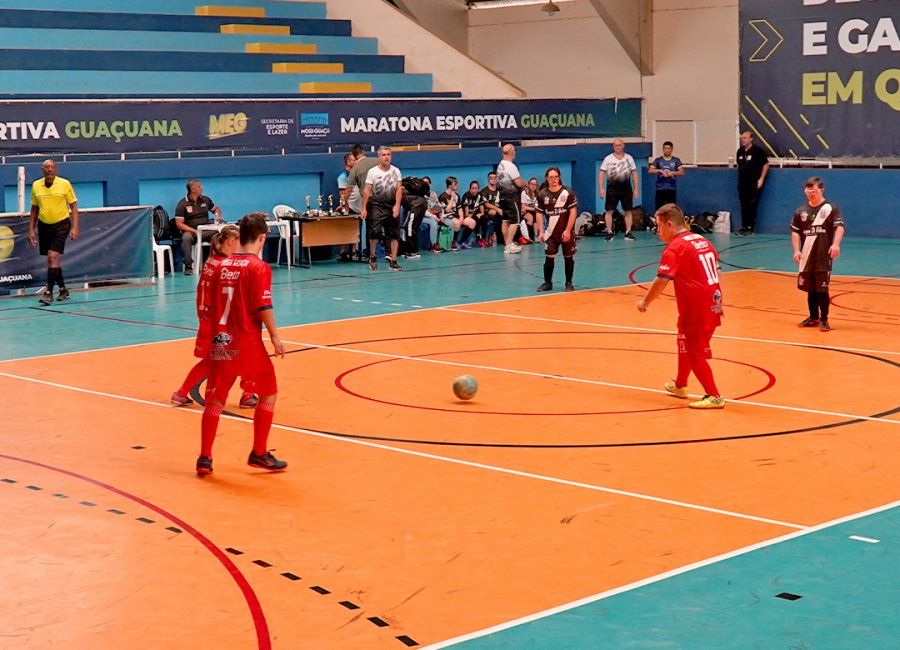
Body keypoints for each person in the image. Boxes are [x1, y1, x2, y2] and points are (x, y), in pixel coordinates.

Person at [197, 212, 287, 475]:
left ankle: (205, 457)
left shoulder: (220, 265)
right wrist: (275, 337)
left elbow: (211, 304)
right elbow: (263, 305)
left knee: (215, 399)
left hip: (220, 341)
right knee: (268, 391)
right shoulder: (259, 267)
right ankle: (258, 452)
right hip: (247, 341)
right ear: (261, 238)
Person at [637, 203, 725, 409]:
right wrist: (720, 299)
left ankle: (714, 396)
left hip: (697, 307)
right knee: (683, 340)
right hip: (711, 301)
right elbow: (717, 270)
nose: (657, 231)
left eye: (659, 227)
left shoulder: (675, 247)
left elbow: (662, 279)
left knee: (695, 352)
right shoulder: (702, 240)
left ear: (669, 224)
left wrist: (645, 302)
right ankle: (680, 385)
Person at [171, 224, 258, 409]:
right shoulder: (225, 267)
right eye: (241, 243)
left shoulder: (212, 261)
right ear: (231, 242)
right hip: (221, 322)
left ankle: (181, 393)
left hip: (208, 320)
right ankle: (247, 395)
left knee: (211, 361)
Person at [791, 176, 844, 332]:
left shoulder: (830, 208)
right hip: (806, 256)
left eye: (813, 191)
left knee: (822, 289)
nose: (810, 194)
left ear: (821, 190)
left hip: (822, 256)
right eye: (808, 191)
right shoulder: (801, 211)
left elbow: (839, 227)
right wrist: (796, 250)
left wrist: (835, 244)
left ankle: (824, 319)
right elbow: (795, 232)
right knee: (810, 288)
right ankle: (813, 317)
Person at [28, 160, 79, 306]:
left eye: (52, 167)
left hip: (61, 224)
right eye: (47, 168)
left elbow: (74, 207)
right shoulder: (36, 185)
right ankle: (63, 289)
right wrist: (31, 229)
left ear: (55, 169)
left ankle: (48, 293)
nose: (50, 170)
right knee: (53, 260)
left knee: (52, 256)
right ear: (42, 170)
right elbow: (34, 209)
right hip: (44, 226)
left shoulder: (64, 184)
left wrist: (75, 227)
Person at [535, 167, 578, 293]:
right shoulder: (542, 194)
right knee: (549, 256)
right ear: (546, 179)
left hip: (566, 232)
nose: (553, 180)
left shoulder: (567, 193)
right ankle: (548, 283)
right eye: (550, 177)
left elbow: (573, 212)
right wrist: (541, 231)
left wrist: (568, 230)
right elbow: (539, 213)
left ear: (559, 178)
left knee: (568, 257)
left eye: (555, 177)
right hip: (551, 232)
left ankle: (569, 283)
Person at [360, 146, 403, 271]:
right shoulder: (373, 172)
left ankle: (393, 260)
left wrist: (397, 206)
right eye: (384, 155)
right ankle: (372, 256)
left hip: (391, 205)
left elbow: (399, 189)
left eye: (388, 154)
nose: (386, 157)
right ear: (379, 157)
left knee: (394, 234)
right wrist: (364, 208)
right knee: (374, 232)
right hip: (377, 205)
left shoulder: (396, 171)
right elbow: (367, 190)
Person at [174, 178, 222, 275]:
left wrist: (218, 216)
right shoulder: (182, 204)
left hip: (205, 230)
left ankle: (212, 263)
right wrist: (194, 231)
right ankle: (188, 266)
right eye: (199, 186)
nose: (202, 188)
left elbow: (216, 209)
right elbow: (179, 224)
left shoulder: (205, 200)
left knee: (219, 234)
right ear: (193, 189)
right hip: (191, 231)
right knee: (186, 238)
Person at [598, 138, 639, 241]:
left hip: (626, 189)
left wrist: (636, 189)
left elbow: (634, 173)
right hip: (612, 190)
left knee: (628, 211)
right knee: (609, 211)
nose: (617, 147)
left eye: (619, 145)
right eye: (615, 145)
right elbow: (602, 173)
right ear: (613, 147)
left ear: (623, 146)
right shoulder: (608, 159)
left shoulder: (629, 158)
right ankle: (609, 232)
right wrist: (601, 188)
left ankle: (628, 232)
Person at [735, 130, 769, 235]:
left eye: (745, 138)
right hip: (742, 183)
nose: (743, 140)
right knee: (743, 204)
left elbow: (766, 164)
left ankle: (750, 227)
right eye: (742, 138)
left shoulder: (758, 151)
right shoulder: (740, 151)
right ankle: (744, 226)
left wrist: (761, 179)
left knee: (751, 204)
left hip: (753, 182)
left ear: (751, 139)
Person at [496, 143, 528, 255]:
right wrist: (527, 184)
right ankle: (509, 246)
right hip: (512, 198)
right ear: (512, 152)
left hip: (503, 198)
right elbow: (518, 183)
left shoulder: (500, 165)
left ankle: (508, 244)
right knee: (515, 222)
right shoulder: (511, 166)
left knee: (505, 221)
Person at [336, 152, 360, 262]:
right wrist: (344, 206)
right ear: (348, 162)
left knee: (355, 229)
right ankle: (343, 252)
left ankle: (354, 251)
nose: (356, 162)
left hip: (357, 206)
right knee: (344, 228)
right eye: (354, 160)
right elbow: (342, 193)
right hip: (347, 207)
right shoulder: (343, 177)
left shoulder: (357, 175)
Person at [649, 141, 685, 213]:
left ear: (671, 149)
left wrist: (672, 173)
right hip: (660, 188)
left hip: (671, 188)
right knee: (659, 209)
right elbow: (650, 171)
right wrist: (660, 171)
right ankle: (658, 223)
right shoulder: (658, 160)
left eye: (669, 148)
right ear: (663, 149)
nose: (667, 150)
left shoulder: (676, 160)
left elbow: (681, 172)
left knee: (671, 209)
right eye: (665, 148)